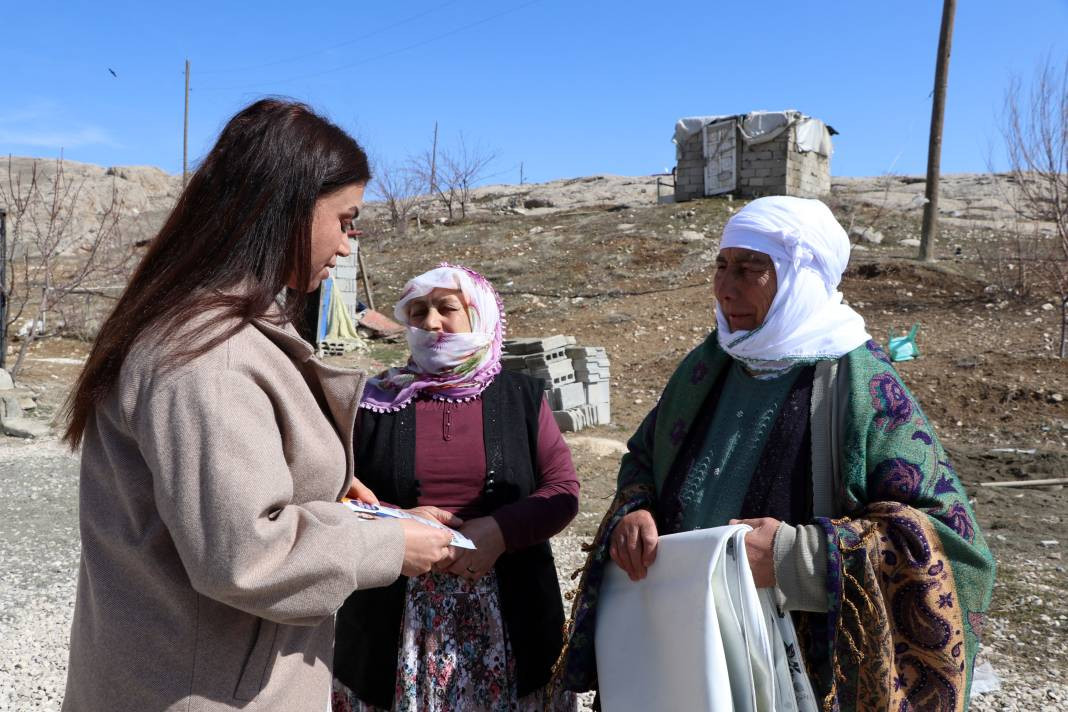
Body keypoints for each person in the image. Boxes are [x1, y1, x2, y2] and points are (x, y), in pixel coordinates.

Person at [60, 99, 455, 712]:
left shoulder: (220, 327)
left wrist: (325, 490)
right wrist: (387, 546)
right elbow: (245, 555)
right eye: (346, 221)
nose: (349, 246)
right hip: (205, 691)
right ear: (290, 210)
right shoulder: (205, 356)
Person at [560, 196, 996, 711]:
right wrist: (638, 511)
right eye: (722, 266)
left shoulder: (861, 386)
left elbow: (954, 546)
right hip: (684, 640)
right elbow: (643, 459)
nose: (726, 287)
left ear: (802, 276)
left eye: (751, 268)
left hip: (799, 670)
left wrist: (797, 558)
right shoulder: (708, 365)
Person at [332, 264, 579, 712]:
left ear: (478, 316)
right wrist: (399, 524)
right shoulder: (373, 401)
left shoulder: (521, 397)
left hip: (511, 616)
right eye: (418, 311)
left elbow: (562, 489)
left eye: (447, 308)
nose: (431, 323)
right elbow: (339, 492)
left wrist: (500, 532)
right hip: (395, 622)